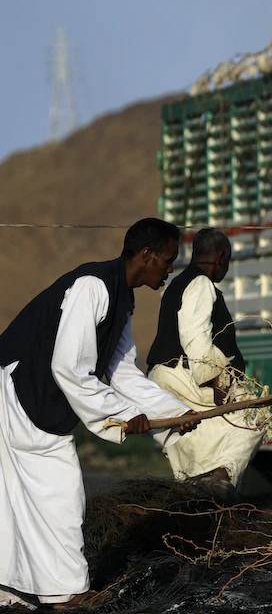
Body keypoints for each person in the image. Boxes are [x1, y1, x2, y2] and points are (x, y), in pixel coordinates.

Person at [0, 218, 196, 610]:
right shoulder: (93, 287)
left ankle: (23, 589)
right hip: (18, 391)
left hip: (33, 400)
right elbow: (69, 368)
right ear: (147, 255)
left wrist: (175, 413)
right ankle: (66, 593)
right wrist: (124, 416)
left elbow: (121, 371)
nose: (171, 268)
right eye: (169, 259)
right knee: (60, 492)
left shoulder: (121, 300)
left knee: (26, 500)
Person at [148, 228, 268, 492]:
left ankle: (202, 490)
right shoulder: (201, 284)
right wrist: (214, 379)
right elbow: (195, 337)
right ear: (221, 257)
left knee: (197, 450)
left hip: (174, 378)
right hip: (187, 379)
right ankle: (221, 477)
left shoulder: (178, 284)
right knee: (256, 417)